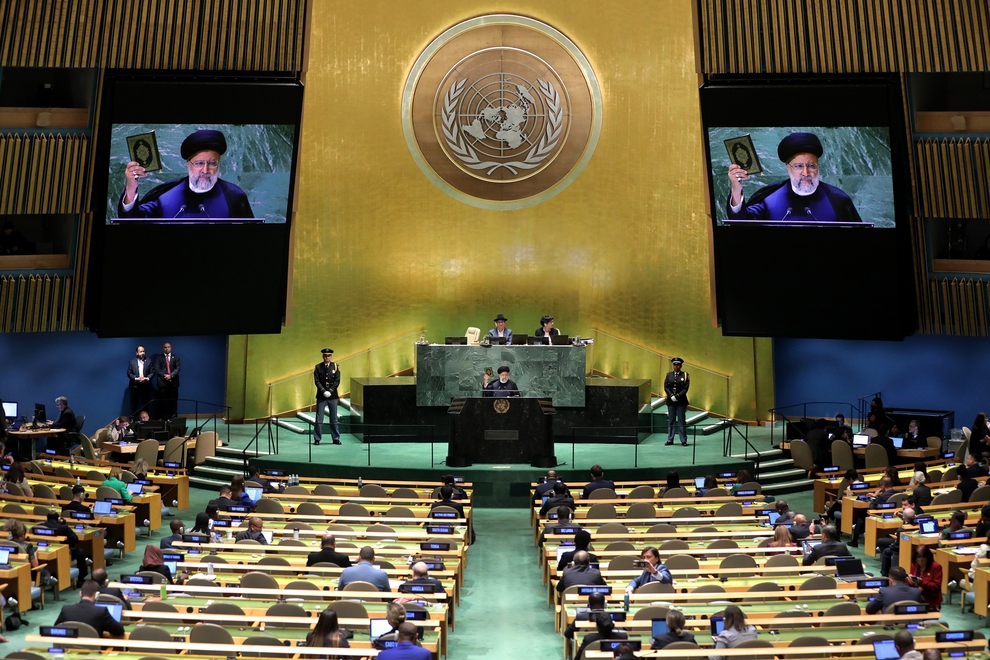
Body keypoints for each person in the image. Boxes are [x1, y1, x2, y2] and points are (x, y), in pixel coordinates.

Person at [727, 132, 861, 223]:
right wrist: (736, 189)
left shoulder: (838, 199)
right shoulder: (770, 199)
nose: (805, 172)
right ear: (788, 167)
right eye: (798, 166)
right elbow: (741, 222)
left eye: (811, 165)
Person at [119, 129, 253, 219]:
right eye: (199, 163)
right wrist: (131, 187)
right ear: (188, 164)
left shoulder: (234, 196)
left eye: (212, 163)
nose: (205, 170)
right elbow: (133, 221)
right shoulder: (166, 196)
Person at [54, 580, 125, 637]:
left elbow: (55, 630)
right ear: (97, 595)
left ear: (80, 594)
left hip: (69, 648)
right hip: (95, 650)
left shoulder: (66, 609)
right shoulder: (101, 612)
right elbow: (119, 631)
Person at [38, 511, 89, 581]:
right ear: (58, 518)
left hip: (45, 550)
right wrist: (64, 524)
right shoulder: (63, 527)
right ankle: (81, 579)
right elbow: (75, 539)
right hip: (64, 553)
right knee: (81, 552)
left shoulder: (40, 526)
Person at [851, 477, 895, 546]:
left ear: (883, 486)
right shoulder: (898, 493)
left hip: (881, 517)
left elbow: (872, 506)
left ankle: (855, 540)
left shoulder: (882, 496)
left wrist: (875, 496)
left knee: (862, 514)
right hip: (894, 516)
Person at [312, 347, 341, 445]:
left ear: (331, 356)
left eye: (328, 355)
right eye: (325, 355)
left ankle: (335, 438)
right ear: (323, 356)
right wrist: (323, 391)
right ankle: (317, 438)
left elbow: (337, 380)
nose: (327, 357)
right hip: (321, 395)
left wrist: (331, 391)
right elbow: (317, 380)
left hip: (332, 396)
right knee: (319, 418)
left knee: (334, 418)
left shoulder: (335, 366)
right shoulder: (318, 367)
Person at [880, 507, 915, 576]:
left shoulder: (901, 530)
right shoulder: (918, 523)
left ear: (904, 518)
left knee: (887, 551)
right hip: (913, 549)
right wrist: (900, 515)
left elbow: (896, 546)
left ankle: (884, 574)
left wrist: (891, 546)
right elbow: (908, 518)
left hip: (900, 551)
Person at [663, 357, 690, 446]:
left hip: (681, 401)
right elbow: (666, 386)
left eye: (678, 365)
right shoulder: (669, 375)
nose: (676, 366)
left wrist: (678, 395)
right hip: (671, 401)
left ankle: (683, 440)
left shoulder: (685, 375)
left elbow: (685, 388)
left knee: (681, 421)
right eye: (675, 365)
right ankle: (670, 439)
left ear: (681, 366)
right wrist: (671, 395)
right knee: (671, 420)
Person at [909, 545, 943, 610]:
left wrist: (921, 583)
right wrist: (910, 581)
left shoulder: (936, 566)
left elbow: (936, 586)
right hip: (915, 599)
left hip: (931, 601)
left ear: (928, 558)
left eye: (923, 560)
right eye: (918, 560)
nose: (920, 563)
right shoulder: (914, 564)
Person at [154, 342, 180, 419]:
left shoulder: (176, 357)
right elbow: (157, 369)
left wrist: (171, 375)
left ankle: (174, 416)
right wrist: (165, 376)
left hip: (173, 382)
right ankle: (164, 416)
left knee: (173, 401)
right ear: (163, 348)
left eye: (168, 347)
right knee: (163, 401)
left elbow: (178, 368)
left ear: (171, 348)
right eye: (165, 347)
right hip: (163, 383)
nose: (167, 348)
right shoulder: (159, 358)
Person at [127, 345, 154, 415]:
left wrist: (147, 378)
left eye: (143, 351)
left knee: (146, 404)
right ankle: (133, 419)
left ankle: (146, 419)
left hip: (146, 387)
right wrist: (136, 378)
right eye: (141, 351)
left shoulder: (149, 361)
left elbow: (152, 372)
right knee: (134, 405)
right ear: (137, 353)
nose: (142, 353)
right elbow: (129, 373)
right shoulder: (132, 362)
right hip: (135, 387)